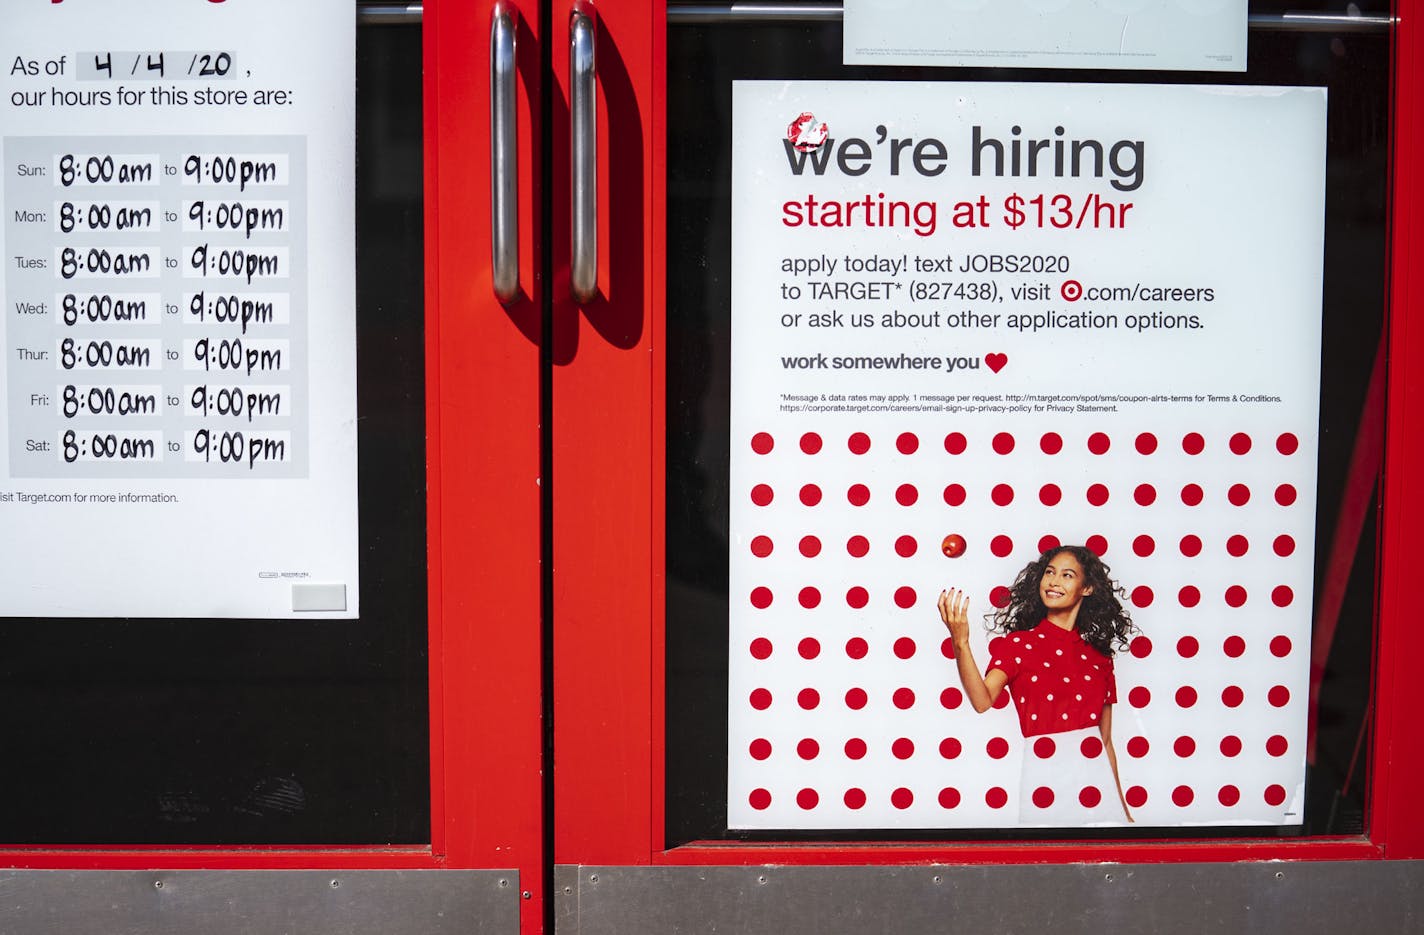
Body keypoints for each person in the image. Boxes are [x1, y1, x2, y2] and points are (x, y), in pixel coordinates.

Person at [937, 545, 1137, 824]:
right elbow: (982, 701)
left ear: (1087, 588)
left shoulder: (1099, 657)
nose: (1054, 581)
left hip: (1096, 783)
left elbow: (1105, 742)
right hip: (1045, 777)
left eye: (1067, 575)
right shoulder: (1018, 645)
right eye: (1049, 573)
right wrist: (960, 642)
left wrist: (1123, 812)